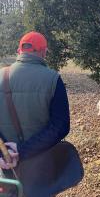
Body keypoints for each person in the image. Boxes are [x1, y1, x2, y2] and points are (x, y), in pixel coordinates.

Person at [0, 31, 70, 180]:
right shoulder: (53, 79)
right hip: (42, 165)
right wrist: (22, 150)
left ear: (19, 51)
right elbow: (61, 126)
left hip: (7, 167)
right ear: (44, 52)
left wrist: (3, 152)